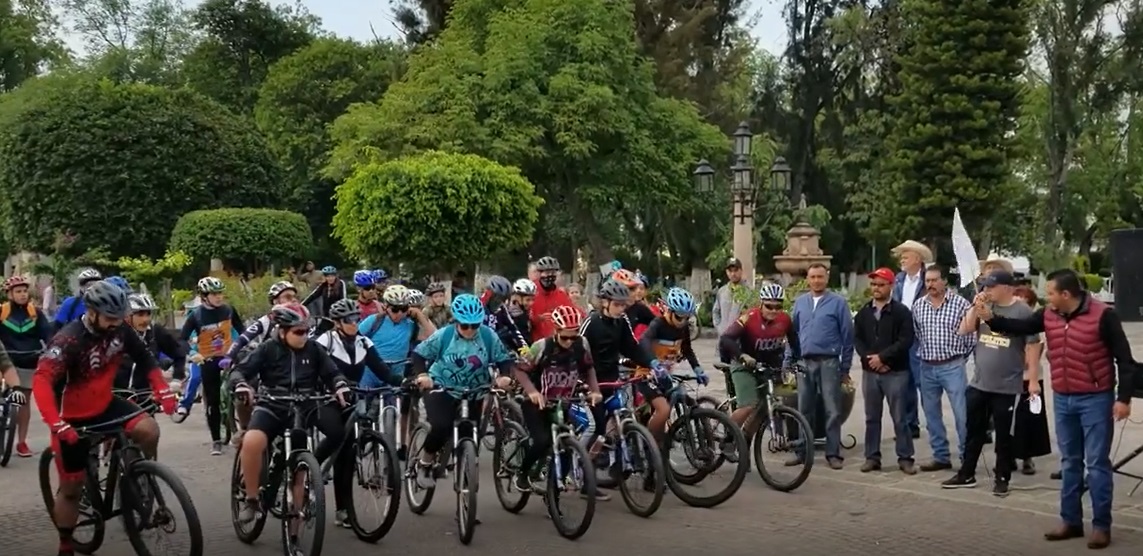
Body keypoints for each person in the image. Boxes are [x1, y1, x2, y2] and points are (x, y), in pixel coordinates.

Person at [978, 268, 1136, 549]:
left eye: (1050, 292)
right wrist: (991, 319)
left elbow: (1125, 360)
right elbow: (1022, 328)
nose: (1045, 297)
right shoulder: (1049, 314)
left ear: (1066, 294)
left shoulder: (1103, 315)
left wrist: (1123, 399)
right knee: (1069, 462)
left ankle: (1101, 525)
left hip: (1096, 398)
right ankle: (1071, 521)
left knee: (1097, 464)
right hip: (1063, 397)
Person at [33, 280, 177, 556]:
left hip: (106, 404)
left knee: (149, 428)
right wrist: (56, 423)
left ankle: (139, 475)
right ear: (91, 311)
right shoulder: (68, 339)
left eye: (120, 317)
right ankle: (65, 543)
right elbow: (42, 380)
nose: (117, 323)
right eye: (110, 318)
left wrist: (162, 389)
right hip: (71, 417)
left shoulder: (122, 330)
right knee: (72, 489)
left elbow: (146, 359)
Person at [231, 303, 351, 528]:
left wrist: (340, 385)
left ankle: (296, 519)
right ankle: (251, 499)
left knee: (311, 452)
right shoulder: (267, 349)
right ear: (282, 331)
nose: (304, 336)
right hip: (272, 404)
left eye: (307, 331)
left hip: (305, 405)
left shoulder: (314, 349)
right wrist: (241, 385)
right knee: (252, 441)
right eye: (298, 332)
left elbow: (332, 372)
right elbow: (239, 371)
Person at [941, 269, 1039, 495]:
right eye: (984, 286)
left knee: (1004, 435)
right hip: (980, 382)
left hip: (1007, 384)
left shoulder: (1021, 311)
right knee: (974, 430)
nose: (986, 291)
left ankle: (1002, 477)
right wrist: (975, 309)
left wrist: (1032, 379)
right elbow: (964, 329)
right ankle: (967, 473)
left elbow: (1033, 345)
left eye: (991, 287)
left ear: (1006, 288)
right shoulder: (985, 307)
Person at [312, 299, 403, 527]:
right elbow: (313, 372)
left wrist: (404, 381)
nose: (354, 323)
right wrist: (328, 388)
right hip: (326, 400)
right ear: (336, 323)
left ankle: (343, 509)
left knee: (348, 456)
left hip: (352, 399)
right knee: (336, 436)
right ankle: (311, 467)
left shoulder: (364, 342)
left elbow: (382, 370)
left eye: (356, 319)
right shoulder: (325, 342)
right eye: (348, 320)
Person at [410, 294, 514, 488]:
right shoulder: (445, 335)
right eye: (465, 325)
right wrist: (423, 375)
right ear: (456, 321)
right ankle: (425, 463)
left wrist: (504, 376)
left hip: (475, 390)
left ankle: (466, 492)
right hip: (442, 387)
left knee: (471, 434)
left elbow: (504, 359)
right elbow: (418, 354)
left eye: (474, 325)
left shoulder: (488, 335)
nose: (470, 330)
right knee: (441, 426)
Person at [514, 305, 602, 492]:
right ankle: (523, 473)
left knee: (568, 444)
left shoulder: (582, 344)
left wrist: (595, 390)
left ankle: (553, 494)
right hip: (537, 403)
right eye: (565, 337)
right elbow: (519, 370)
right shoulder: (542, 347)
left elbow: (588, 368)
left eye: (574, 336)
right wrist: (532, 392)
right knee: (542, 441)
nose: (570, 341)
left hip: (562, 402)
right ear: (556, 331)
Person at [201, 280, 298, 439]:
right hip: (266, 369)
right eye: (287, 297)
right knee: (245, 393)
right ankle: (245, 429)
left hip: (294, 369)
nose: (293, 300)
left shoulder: (303, 318)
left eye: (294, 297)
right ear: (275, 301)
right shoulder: (266, 321)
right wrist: (229, 356)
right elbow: (242, 339)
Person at [788, 263, 854, 469]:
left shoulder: (838, 303)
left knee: (832, 409)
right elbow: (793, 334)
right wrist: (788, 361)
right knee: (803, 408)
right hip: (804, 362)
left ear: (827, 278)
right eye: (813, 277)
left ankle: (833, 453)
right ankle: (802, 451)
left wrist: (845, 368)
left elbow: (848, 336)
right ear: (807, 279)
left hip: (829, 362)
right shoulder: (800, 303)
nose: (817, 280)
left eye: (820, 276)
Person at [911, 264, 975, 472]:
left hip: (952, 365)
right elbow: (917, 334)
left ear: (944, 281)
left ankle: (967, 456)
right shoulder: (918, 306)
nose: (930, 285)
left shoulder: (960, 304)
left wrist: (960, 358)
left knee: (961, 414)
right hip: (927, 367)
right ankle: (941, 456)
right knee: (931, 415)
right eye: (927, 281)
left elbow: (970, 336)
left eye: (934, 280)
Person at [359, 284, 436, 455]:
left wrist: (420, 316)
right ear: (386, 306)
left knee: (393, 410)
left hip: (395, 372)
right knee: (361, 408)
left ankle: (391, 448)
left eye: (403, 309)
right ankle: (360, 437)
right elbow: (355, 338)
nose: (399, 314)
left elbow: (434, 338)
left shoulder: (410, 324)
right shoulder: (375, 321)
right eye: (395, 309)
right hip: (371, 370)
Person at [853, 268, 916, 474]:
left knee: (900, 417)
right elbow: (858, 340)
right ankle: (872, 457)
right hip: (871, 372)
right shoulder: (864, 312)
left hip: (896, 372)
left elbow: (905, 340)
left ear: (891, 285)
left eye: (880, 284)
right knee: (872, 417)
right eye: (873, 285)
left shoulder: (901, 312)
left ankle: (905, 457)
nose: (876, 288)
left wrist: (884, 358)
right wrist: (870, 360)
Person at [719, 283, 799, 433]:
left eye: (778, 306)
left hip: (768, 365)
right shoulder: (748, 318)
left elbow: (794, 341)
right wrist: (742, 356)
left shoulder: (785, 320)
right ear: (761, 304)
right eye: (769, 306)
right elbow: (726, 339)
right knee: (749, 405)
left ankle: (745, 441)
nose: (774, 311)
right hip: (744, 364)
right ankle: (729, 438)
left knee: (764, 409)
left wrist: (798, 360)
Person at [179, 276, 245, 455]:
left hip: (228, 356)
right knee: (213, 401)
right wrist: (193, 354)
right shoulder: (196, 315)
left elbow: (243, 330)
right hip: (208, 359)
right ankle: (216, 440)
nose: (219, 297)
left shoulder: (229, 310)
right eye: (214, 294)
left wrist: (248, 344)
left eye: (220, 293)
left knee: (242, 389)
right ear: (204, 296)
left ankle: (242, 428)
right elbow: (182, 339)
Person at [638, 287, 708, 440]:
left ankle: (661, 439)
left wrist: (698, 369)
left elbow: (687, 349)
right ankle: (651, 446)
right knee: (663, 410)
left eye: (687, 318)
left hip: (665, 375)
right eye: (679, 317)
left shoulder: (683, 329)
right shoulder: (658, 324)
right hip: (646, 374)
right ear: (670, 310)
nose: (683, 322)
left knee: (681, 398)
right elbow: (643, 341)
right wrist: (654, 363)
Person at [0, 275, 53, 457]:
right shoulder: (2, 312)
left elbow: (48, 336)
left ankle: (21, 442)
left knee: (23, 403)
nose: (23, 295)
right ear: (9, 294)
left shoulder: (35, 313)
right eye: (18, 291)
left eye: (24, 291)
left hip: (29, 361)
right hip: (6, 362)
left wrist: (52, 349)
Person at [891, 240, 932, 439]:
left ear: (917, 259)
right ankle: (910, 424)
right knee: (904, 382)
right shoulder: (899, 279)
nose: (902, 260)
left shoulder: (928, 279)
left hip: (922, 335)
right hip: (903, 335)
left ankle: (933, 422)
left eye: (906, 256)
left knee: (923, 382)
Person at [1010, 285, 1052, 475]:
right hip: (1008, 378)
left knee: (1030, 419)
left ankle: (1028, 457)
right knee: (1008, 419)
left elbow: (1032, 356)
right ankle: (1008, 455)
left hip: (1031, 378)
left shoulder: (1035, 325)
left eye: (1025, 301)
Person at [115, 293, 186, 392]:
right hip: (118, 393)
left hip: (149, 394)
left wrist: (177, 378)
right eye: (140, 314)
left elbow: (179, 353)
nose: (146, 319)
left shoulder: (155, 331)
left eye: (148, 314)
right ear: (127, 316)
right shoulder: (117, 333)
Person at [530, 256, 576, 340]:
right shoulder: (531, 293)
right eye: (547, 273)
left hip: (558, 342)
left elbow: (572, 312)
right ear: (540, 274)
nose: (550, 275)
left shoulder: (561, 294)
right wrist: (538, 319)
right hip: (536, 342)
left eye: (553, 273)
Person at [481, 275, 530, 354]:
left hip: (496, 348)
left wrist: (524, 348)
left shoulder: (502, 309)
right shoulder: (477, 307)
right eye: (497, 298)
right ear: (489, 295)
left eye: (503, 299)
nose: (500, 302)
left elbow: (513, 328)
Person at [712, 258, 748, 343]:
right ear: (726, 272)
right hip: (723, 339)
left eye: (736, 270)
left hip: (741, 342)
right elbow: (716, 311)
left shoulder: (749, 292)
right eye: (730, 271)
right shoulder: (722, 291)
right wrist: (719, 327)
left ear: (741, 271)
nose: (733, 274)